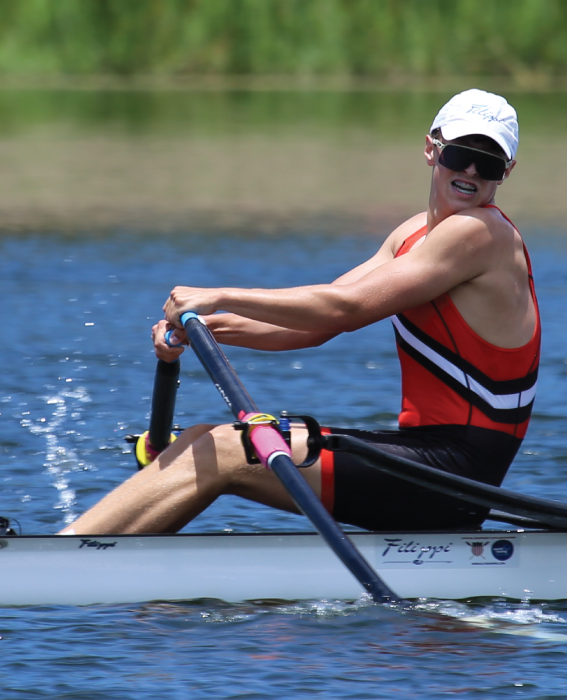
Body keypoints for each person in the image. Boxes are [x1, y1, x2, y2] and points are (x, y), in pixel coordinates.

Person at [61, 89, 537, 535]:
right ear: (432, 149)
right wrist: (204, 329)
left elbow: (345, 308)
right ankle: (100, 557)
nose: (472, 170)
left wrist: (220, 295)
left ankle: (60, 559)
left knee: (225, 450)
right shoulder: (412, 235)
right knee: (207, 440)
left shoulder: (480, 234)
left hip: (452, 473)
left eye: (489, 162)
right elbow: (315, 324)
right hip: (424, 459)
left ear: (508, 172)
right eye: (460, 154)